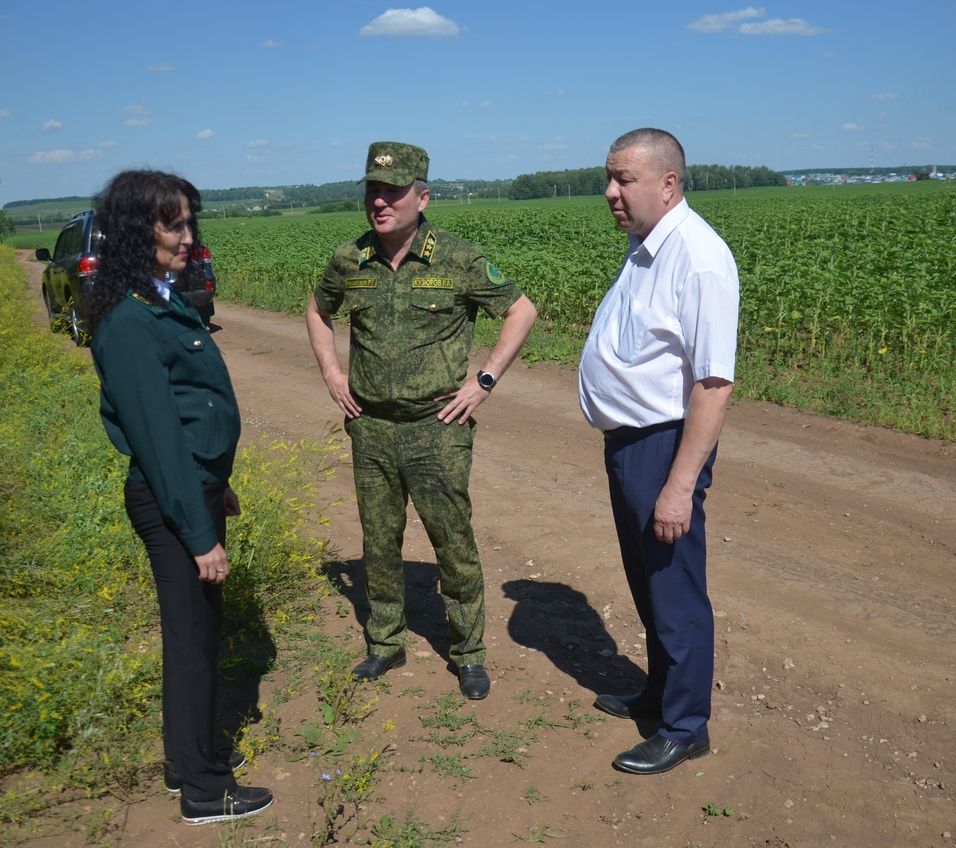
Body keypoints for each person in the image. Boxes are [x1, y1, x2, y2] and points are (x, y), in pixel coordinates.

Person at [307, 141, 537, 700]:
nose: (380, 202)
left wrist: (482, 382)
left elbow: (520, 309)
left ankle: (469, 651)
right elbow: (318, 310)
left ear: (423, 196)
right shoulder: (349, 260)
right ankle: (384, 642)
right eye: (372, 191)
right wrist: (334, 374)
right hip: (371, 426)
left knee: (451, 538)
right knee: (379, 539)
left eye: (393, 191)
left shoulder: (457, 258)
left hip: (437, 426)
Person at [87, 170, 273, 824]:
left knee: (195, 637)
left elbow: (191, 417)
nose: (189, 238)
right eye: (175, 225)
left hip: (191, 494)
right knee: (192, 643)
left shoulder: (157, 300)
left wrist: (217, 489)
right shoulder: (130, 322)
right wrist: (198, 534)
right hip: (170, 504)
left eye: (191, 223)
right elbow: (161, 438)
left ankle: (182, 765)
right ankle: (202, 789)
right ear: (141, 232)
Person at [578, 129, 739, 775]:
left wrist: (678, 484)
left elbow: (712, 383)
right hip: (630, 443)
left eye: (625, 179)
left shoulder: (697, 257)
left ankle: (685, 725)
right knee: (648, 584)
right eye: (609, 178)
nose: (611, 192)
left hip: (663, 445)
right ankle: (660, 689)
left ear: (669, 182)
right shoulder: (646, 247)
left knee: (674, 590)